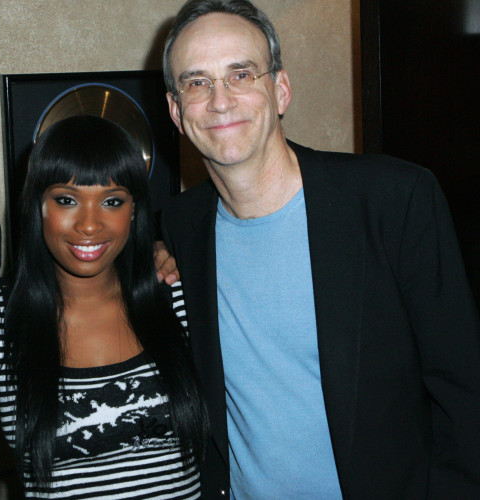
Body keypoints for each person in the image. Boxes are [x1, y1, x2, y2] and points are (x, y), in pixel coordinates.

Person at [160, 0, 480, 498]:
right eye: (197, 82)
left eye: (241, 74)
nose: (220, 100)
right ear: (177, 112)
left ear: (280, 89)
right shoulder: (183, 223)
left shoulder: (393, 199)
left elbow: (464, 393)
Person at [0, 115, 209, 498]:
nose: (89, 224)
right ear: (38, 205)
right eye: (67, 200)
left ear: (134, 209)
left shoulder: (177, 301)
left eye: (112, 201)